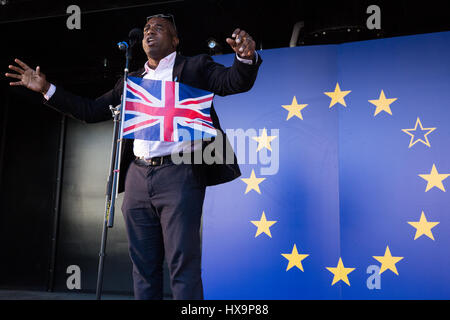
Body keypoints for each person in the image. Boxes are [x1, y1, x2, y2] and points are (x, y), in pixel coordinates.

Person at [5, 14, 262, 300]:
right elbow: (91, 111)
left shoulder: (195, 66)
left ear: (175, 40)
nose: (150, 32)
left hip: (179, 175)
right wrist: (46, 89)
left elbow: (232, 82)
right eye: (147, 29)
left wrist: (245, 58)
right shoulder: (132, 81)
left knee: (182, 266)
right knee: (143, 268)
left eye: (159, 28)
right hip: (137, 177)